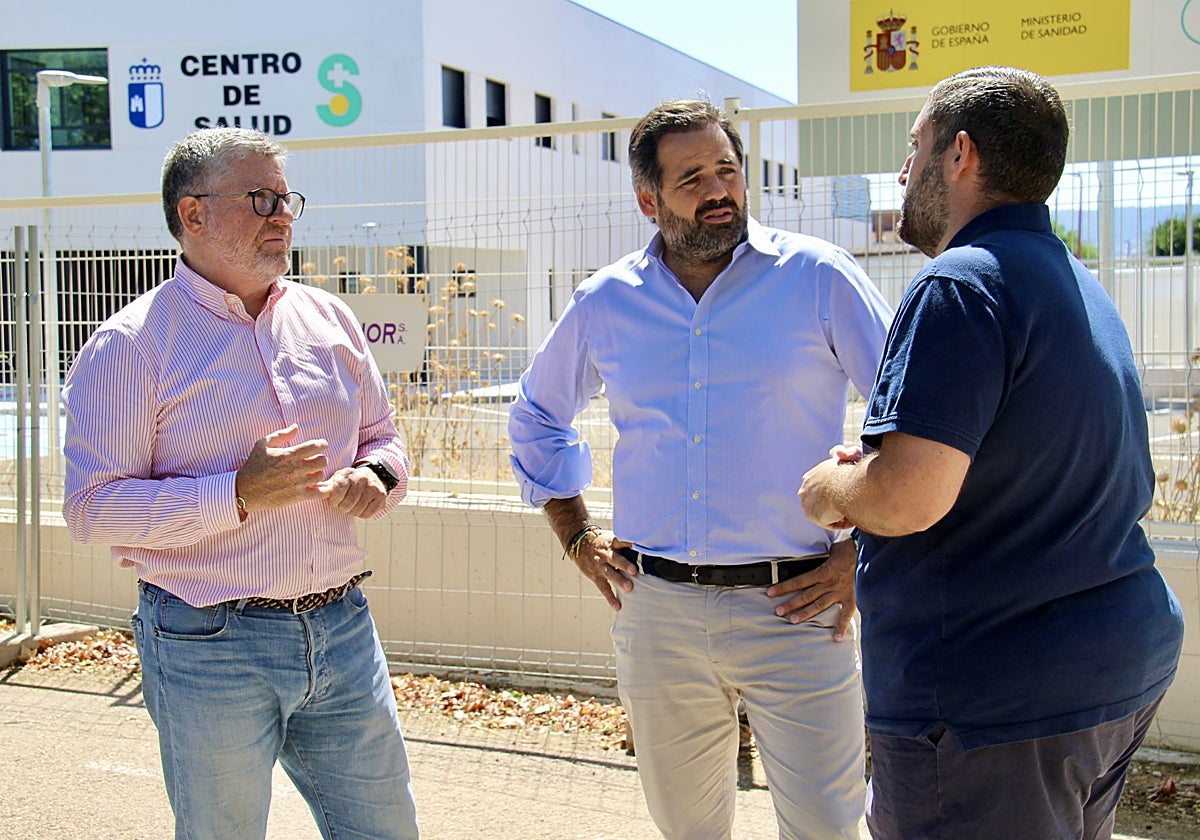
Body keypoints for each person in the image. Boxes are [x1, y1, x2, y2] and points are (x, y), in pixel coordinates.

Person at [798, 66, 1185, 840]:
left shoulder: (961, 284)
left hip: (992, 699)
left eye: (914, 148)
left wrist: (835, 488)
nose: (903, 172)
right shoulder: (1072, 281)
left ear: (960, 154)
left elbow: (909, 498)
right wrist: (887, 470)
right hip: (1106, 668)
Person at [509, 99, 892, 840]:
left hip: (802, 608)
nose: (720, 190)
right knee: (687, 829)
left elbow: (911, 427)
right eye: (692, 178)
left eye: (728, 170)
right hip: (657, 613)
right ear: (648, 200)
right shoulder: (607, 300)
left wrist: (865, 551)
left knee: (826, 828)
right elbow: (535, 417)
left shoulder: (819, 278)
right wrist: (575, 533)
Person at [62, 128, 419, 840]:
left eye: (286, 199)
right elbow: (92, 508)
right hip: (208, 641)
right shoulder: (132, 345)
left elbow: (386, 437)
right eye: (260, 198)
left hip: (343, 629)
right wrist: (238, 493)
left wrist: (378, 475)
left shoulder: (328, 317)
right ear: (192, 215)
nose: (282, 215)